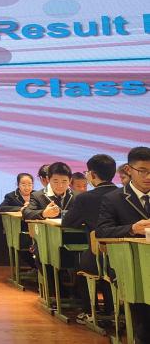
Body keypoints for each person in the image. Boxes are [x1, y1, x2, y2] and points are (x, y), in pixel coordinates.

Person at [98, 147, 150, 343]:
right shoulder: (114, 198)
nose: (148, 176)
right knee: (144, 316)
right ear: (129, 169)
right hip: (130, 265)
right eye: (143, 171)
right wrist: (132, 229)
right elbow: (102, 231)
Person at [62, 154, 118, 321]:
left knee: (81, 265)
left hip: (99, 253)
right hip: (124, 252)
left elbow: (68, 222)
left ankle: (89, 311)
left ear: (92, 174)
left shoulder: (85, 198)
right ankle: (112, 310)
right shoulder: (123, 194)